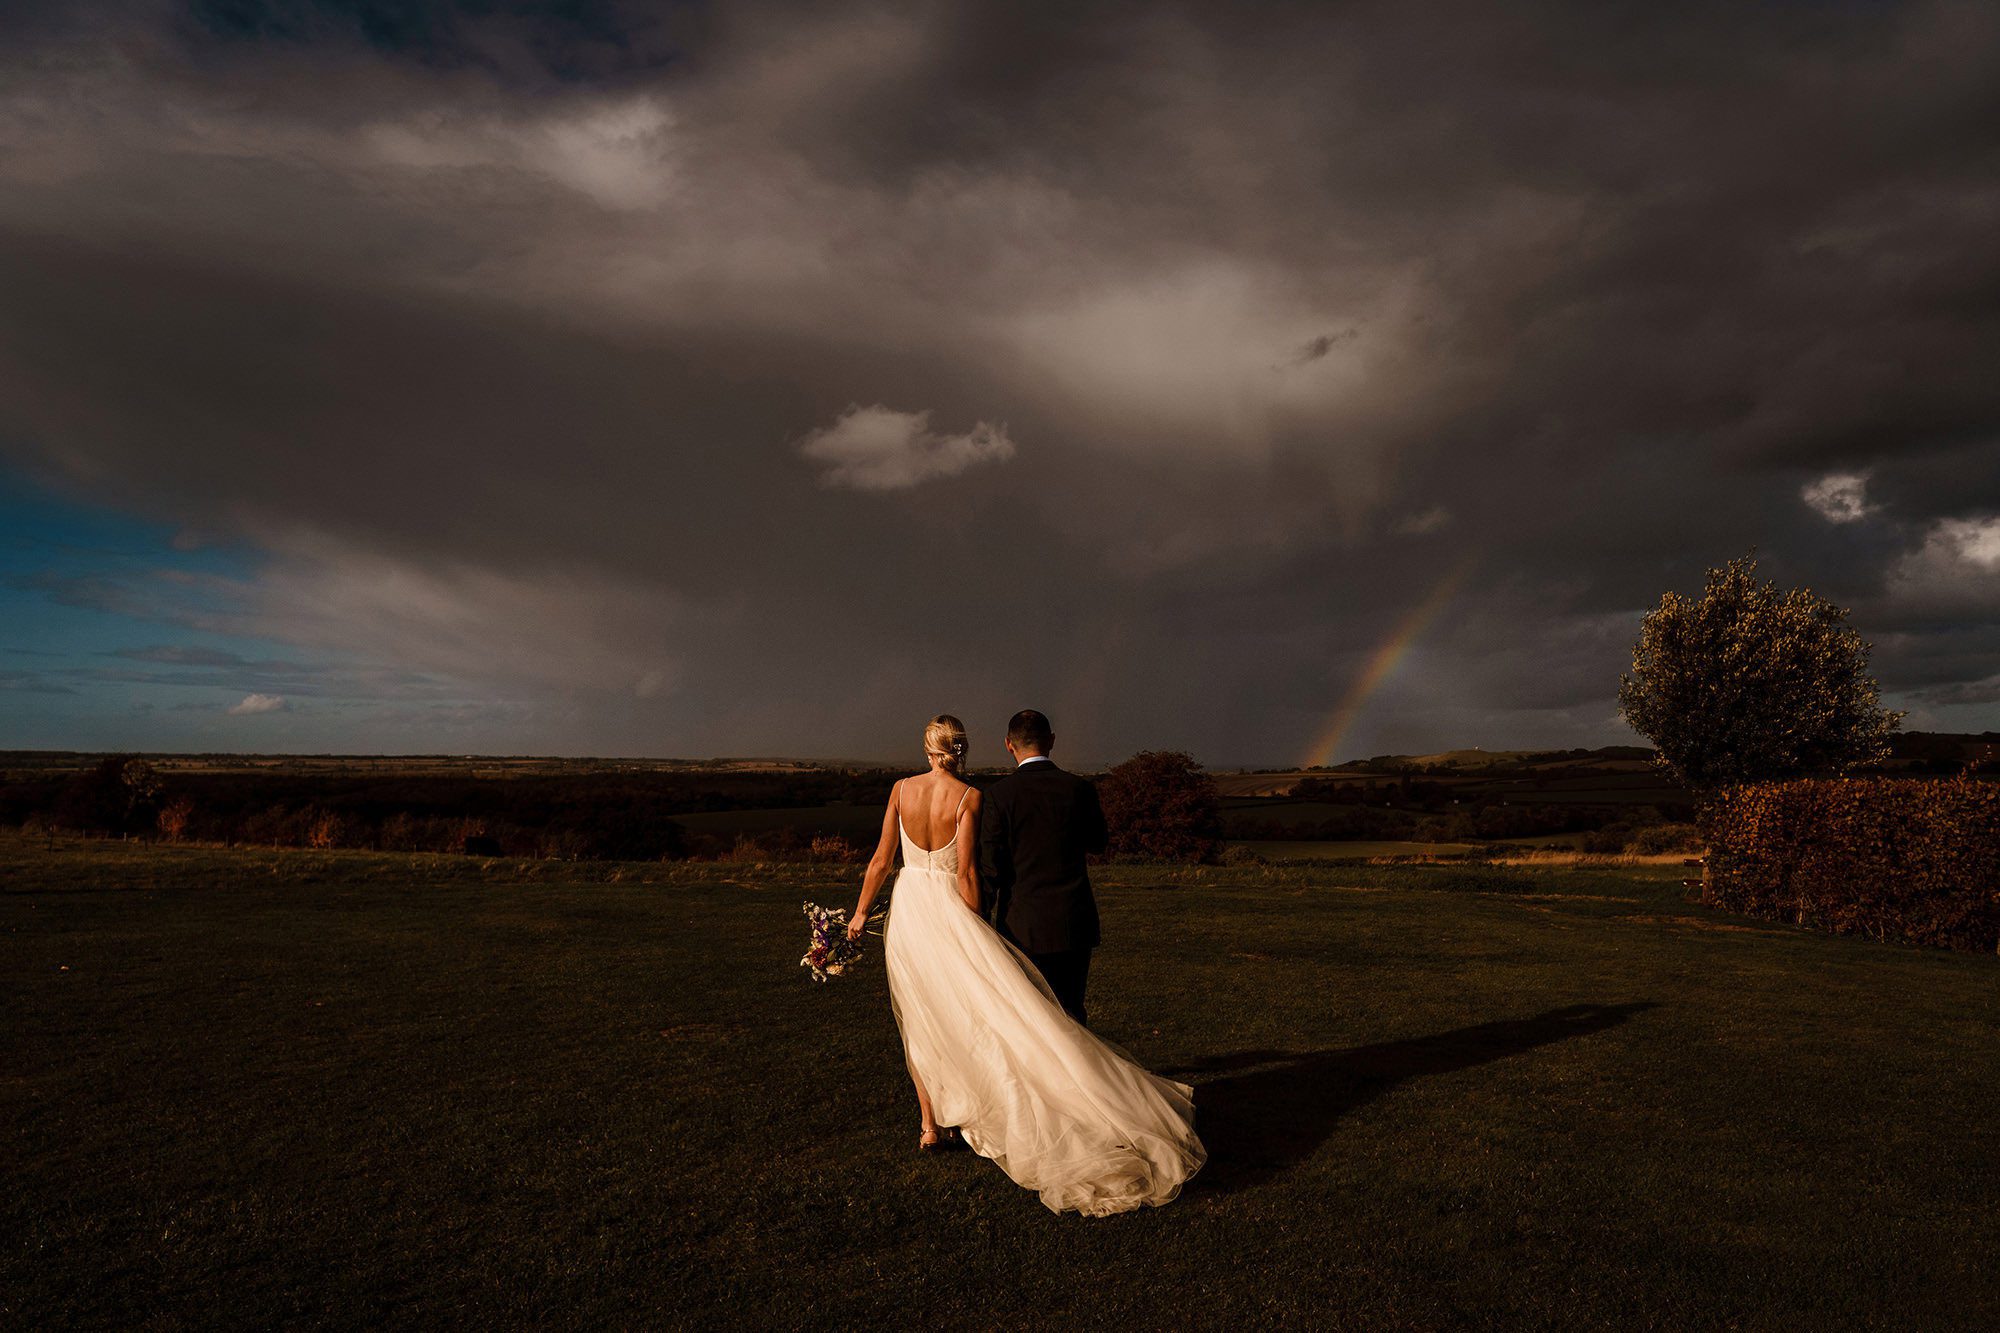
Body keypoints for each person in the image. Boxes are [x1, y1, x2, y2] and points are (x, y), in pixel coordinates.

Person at [847, 713, 1204, 1216]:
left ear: (927, 747)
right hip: (973, 916)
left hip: (909, 913)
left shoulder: (904, 790)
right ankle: (1072, 1093)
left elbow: (882, 860)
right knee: (1027, 1018)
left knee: (920, 1014)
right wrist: (972, 923)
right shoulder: (974, 797)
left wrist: (861, 913)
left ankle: (930, 1125)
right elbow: (969, 874)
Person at [976, 708, 1107, 1025]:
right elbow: (1098, 843)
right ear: (1051, 741)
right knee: (1073, 1014)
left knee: (1031, 1019)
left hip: (1023, 926)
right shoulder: (1080, 789)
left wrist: (977, 914)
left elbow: (991, 867)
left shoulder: (999, 796)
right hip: (1074, 920)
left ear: (1008, 744)